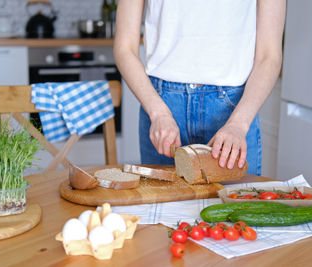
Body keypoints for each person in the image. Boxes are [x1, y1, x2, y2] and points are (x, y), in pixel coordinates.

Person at [114, 0, 286, 175]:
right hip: (160, 106)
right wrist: (158, 113)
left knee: (238, 200)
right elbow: (124, 47)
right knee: (161, 201)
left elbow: (269, 56)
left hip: (236, 112)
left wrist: (238, 125)